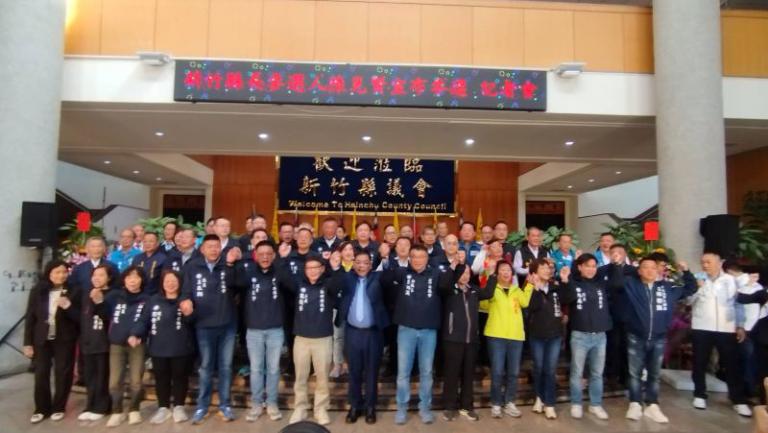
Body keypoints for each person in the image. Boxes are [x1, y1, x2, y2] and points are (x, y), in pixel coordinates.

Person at [381, 245, 456, 425]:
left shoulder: (436, 274)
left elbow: (446, 286)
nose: (417, 260)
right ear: (410, 258)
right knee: (403, 373)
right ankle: (402, 408)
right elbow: (384, 280)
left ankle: (425, 408)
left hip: (428, 330)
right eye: (413, 256)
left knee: (427, 372)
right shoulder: (402, 273)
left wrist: (455, 265)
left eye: (421, 256)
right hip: (406, 329)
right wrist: (385, 258)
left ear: (427, 259)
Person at [620, 257, 697, 423]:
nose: (649, 271)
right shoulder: (631, 285)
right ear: (639, 271)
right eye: (645, 267)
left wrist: (685, 271)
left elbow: (691, 288)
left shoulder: (668, 288)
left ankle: (652, 405)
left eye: (653, 268)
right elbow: (617, 279)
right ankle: (635, 403)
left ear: (658, 271)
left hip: (659, 337)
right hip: (636, 336)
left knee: (654, 374)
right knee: (634, 373)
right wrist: (626, 265)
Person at [180, 234, 242, 424]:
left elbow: (237, 284)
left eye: (217, 246)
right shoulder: (192, 266)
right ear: (202, 249)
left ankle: (225, 405)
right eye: (210, 246)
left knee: (225, 367)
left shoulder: (228, 264)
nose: (214, 250)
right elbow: (186, 291)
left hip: (227, 324)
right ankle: (202, 406)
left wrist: (230, 264)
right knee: (206, 367)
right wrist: (185, 301)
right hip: (203, 324)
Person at [235, 240, 293, 422]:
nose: (265, 257)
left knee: (274, 369)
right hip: (254, 330)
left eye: (269, 254)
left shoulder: (279, 271)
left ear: (274, 255)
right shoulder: (249, 272)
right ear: (255, 255)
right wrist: (233, 262)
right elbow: (234, 282)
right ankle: (256, 403)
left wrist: (282, 261)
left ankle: (272, 402)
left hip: (275, 329)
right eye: (261, 254)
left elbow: (292, 285)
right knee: (256, 369)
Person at [688, 251, 751, 417]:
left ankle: (738, 400)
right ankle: (699, 394)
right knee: (699, 362)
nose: (705, 265)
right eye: (703, 262)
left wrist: (740, 325)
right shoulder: (696, 279)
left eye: (708, 262)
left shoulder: (730, 280)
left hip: (726, 327)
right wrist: (698, 289)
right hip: (702, 326)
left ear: (719, 263)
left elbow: (738, 304)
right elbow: (687, 301)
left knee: (731, 363)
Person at [129, 270, 195, 424]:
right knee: (161, 378)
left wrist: (189, 313)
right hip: (158, 347)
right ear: (162, 283)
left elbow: (193, 322)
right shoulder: (153, 300)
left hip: (181, 346)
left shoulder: (185, 300)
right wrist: (135, 334)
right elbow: (143, 321)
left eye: (174, 281)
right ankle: (163, 408)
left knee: (180, 377)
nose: (170, 284)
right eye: (167, 281)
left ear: (179, 283)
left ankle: (179, 407)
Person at [287, 255, 344, 426]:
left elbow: (338, 283)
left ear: (322, 269)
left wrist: (336, 268)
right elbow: (283, 277)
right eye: (309, 268)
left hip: (323, 338)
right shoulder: (299, 284)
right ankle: (300, 407)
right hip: (301, 338)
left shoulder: (328, 285)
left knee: (322, 377)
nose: (312, 271)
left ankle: (321, 409)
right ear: (305, 270)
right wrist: (283, 258)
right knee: (300, 376)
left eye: (316, 267)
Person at [336, 250, 391, 424]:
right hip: (352, 332)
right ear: (353, 264)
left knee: (372, 372)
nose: (361, 266)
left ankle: (370, 407)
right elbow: (333, 283)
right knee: (354, 371)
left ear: (371, 264)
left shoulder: (378, 278)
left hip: (373, 333)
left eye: (365, 262)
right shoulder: (348, 278)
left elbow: (390, 277)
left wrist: (386, 259)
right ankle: (355, 406)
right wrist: (336, 265)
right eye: (358, 262)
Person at [23, 260, 80, 424]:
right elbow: (30, 317)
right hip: (42, 338)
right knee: (41, 373)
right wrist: (28, 342)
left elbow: (79, 318)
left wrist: (68, 306)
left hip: (64, 338)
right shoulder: (38, 290)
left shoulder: (75, 290)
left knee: (63, 373)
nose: (61, 275)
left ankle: (59, 407)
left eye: (64, 272)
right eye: (57, 272)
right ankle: (41, 408)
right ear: (49, 273)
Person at [559, 254, 612, 420]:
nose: (591, 269)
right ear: (580, 267)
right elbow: (565, 299)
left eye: (593, 266)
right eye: (587, 266)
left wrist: (617, 265)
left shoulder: (601, 283)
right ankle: (576, 403)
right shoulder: (574, 283)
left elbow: (618, 283)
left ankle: (596, 404)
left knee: (597, 373)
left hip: (600, 335)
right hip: (580, 335)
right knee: (577, 372)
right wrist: (565, 280)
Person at [440, 265, 491, 422]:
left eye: (468, 273)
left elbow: (488, 292)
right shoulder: (449, 290)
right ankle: (449, 406)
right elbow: (443, 284)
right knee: (452, 374)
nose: (465, 276)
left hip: (471, 340)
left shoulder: (474, 290)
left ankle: (466, 406)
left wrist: (493, 274)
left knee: (468, 375)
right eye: (462, 273)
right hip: (453, 339)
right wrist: (451, 269)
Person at [483, 261, 533, 419]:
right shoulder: (492, 289)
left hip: (515, 336)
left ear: (512, 274)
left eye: (508, 270)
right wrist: (488, 280)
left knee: (513, 372)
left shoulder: (516, 290)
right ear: (497, 273)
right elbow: (483, 304)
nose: (506, 272)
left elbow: (525, 302)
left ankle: (510, 402)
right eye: (502, 270)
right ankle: (496, 403)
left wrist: (530, 285)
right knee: (497, 372)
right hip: (496, 335)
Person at [104, 266, 150, 427]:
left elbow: (145, 320)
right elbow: (103, 313)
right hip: (116, 343)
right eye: (129, 277)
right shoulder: (114, 296)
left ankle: (134, 409)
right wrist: (97, 302)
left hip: (137, 344)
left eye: (136, 277)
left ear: (142, 280)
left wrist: (135, 334)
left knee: (136, 380)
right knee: (114, 381)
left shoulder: (147, 299)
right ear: (124, 279)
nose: (133, 280)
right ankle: (116, 411)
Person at [526, 259, 564, 419]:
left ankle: (550, 403)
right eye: (542, 268)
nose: (547, 270)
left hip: (554, 334)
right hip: (537, 335)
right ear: (534, 272)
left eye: (548, 268)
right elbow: (532, 307)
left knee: (550, 369)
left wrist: (566, 280)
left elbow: (568, 299)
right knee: (539, 368)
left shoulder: (555, 287)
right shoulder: (529, 288)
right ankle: (539, 397)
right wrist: (536, 288)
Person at [77, 264, 116, 422]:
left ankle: (102, 407)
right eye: (94, 275)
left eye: (101, 275)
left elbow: (109, 317)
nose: (97, 278)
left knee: (102, 376)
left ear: (109, 278)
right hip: (88, 341)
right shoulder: (87, 294)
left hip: (103, 342)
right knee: (89, 376)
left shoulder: (114, 294)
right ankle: (90, 405)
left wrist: (99, 302)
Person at [725, 260, 763, 400]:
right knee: (742, 361)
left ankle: (748, 391)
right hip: (743, 329)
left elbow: (742, 300)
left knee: (747, 361)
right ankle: (743, 392)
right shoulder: (742, 286)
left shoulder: (757, 288)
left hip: (750, 330)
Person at [598, 243, 635, 387]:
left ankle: (625, 377)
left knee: (626, 346)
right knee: (611, 345)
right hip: (609, 314)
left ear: (625, 254)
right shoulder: (603, 270)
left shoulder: (633, 271)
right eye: (613, 252)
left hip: (628, 315)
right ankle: (611, 375)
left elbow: (622, 286)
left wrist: (619, 267)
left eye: (619, 252)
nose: (616, 254)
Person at [736, 273, 768, 404]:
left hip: (762, 337)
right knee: (761, 371)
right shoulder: (764, 293)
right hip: (763, 339)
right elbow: (742, 298)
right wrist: (745, 285)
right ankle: (762, 400)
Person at [131, 231, 167, 295]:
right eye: (145, 241)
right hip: (138, 292)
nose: (147, 244)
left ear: (157, 243)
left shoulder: (163, 258)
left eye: (151, 241)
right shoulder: (137, 258)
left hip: (156, 293)